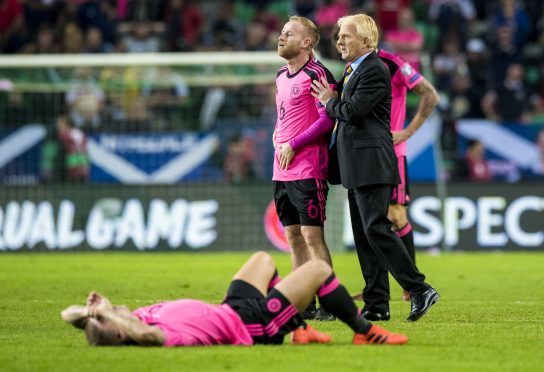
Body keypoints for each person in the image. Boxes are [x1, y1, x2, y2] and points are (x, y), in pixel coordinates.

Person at [312, 14, 439, 322]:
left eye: (346, 35)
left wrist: (330, 101)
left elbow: (353, 112)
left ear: (367, 40)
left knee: (376, 228)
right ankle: (376, 304)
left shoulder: (375, 69)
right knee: (365, 236)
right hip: (356, 164)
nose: (339, 40)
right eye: (339, 35)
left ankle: (419, 288)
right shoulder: (353, 69)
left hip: (373, 161)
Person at [61, 251, 408, 346]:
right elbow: (148, 336)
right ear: (121, 331)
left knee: (262, 259)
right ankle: (365, 331)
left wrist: (97, 311)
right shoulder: (154, 336)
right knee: (317, 269)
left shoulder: (137, 317)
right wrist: (112, 315)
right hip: (252, 323)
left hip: (233, 307)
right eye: (110, 317)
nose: (115, 308)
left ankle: (299, 328)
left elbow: (68, 315)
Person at [273, 16, 337, 320]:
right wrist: (277, 134)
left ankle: (329, 303)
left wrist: (293, 144)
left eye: (289, 33)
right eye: (282, 33)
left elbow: (328, 119)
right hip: (281, 170)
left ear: (307, 43)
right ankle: (302, 302)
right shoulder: (279, 75)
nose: (281, 37)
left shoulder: (317, 74)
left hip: (308, 169)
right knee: (293, 238)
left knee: (313, 238)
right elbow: (284, 115)